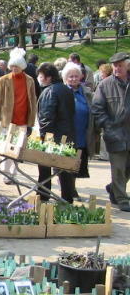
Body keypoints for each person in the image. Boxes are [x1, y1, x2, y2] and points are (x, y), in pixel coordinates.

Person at [0, 48, 37, 183]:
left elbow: (33, 100)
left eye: (16, 66)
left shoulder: (29, 80)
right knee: (6, 147)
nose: (14, 68)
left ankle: (14, 174)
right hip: (7, 119)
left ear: (22, 66)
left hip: (22, 118)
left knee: (17, 148)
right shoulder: (3, 79)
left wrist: (32, 118)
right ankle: (5, 174)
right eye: (12, 66)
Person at [93, 52, 130, 211]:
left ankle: (113, 187)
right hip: (115, 134)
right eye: (115, 66)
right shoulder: (105, 85)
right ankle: (122, 199)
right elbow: (97, 108)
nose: (116, 68)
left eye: (120, 65)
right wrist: (108, 125)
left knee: (126, 169)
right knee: (119, 168)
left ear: (127, 66)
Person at [36, 62, 76, 202]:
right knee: (64, 172)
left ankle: (42, 198)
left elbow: (46, 118)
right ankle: (67, 200)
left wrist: (43, 139)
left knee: (45, 171)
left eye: (41, 76)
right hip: (67, 136)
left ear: (48, 77)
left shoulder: (50, 91)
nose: (39, 79)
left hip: (52, 139)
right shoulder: (66, 89)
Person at [63, 61, 94, 200]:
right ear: (65, 78)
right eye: (70, 76)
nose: (74, 78)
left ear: (81, 77)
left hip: (82, 133)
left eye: (76, 76)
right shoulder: (63, 92)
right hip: (67, 134)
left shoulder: (85, 92)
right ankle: (70, 190)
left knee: (77, 163)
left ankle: (72, 188)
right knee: (67, 163)